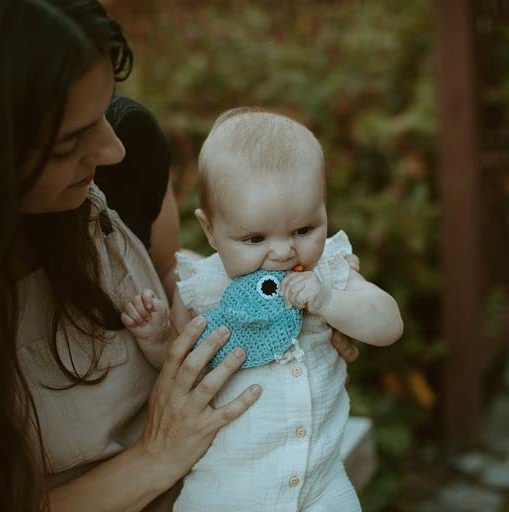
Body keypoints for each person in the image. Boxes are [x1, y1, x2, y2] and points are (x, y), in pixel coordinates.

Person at [0, 2, 360, 511]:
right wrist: (156, 457)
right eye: (68, 143)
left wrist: (300, 299)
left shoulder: (128, 159)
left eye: (105, 109)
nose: (112, 148)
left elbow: (176, 277)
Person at [122, 108, 404, 511]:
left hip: (321, 484)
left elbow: (388, 324)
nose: (284, 252)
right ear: (210, 230)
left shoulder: (328, 271)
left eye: (305, 230)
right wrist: (156, 339)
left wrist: (330, 301)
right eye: (255, 238)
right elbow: (179, 364)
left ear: (323, 209)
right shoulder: (202, 288)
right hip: (227, 493)